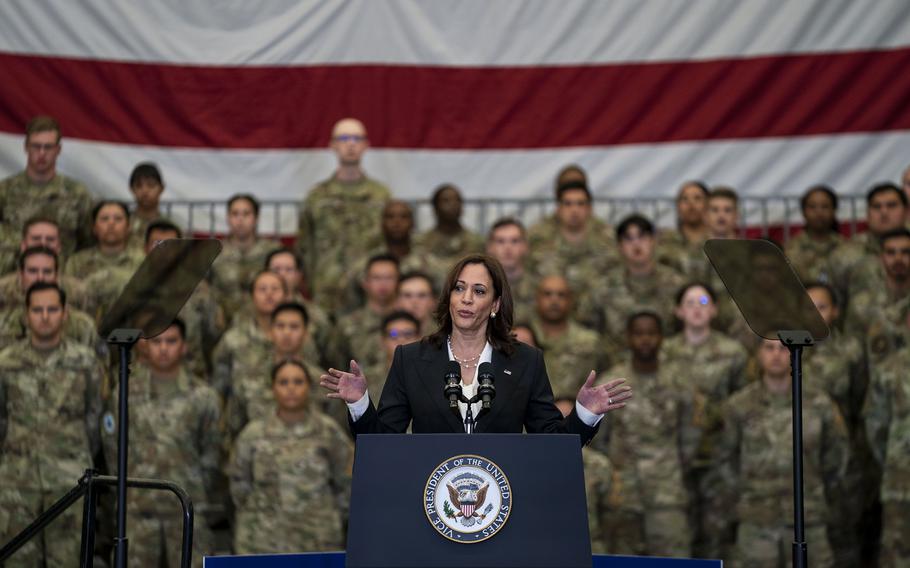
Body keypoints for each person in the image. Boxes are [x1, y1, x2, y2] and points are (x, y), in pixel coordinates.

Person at [321, 254, 632, 441]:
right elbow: (383, 444)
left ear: (495, 304)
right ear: (449, 297)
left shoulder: (525, 361)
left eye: (479, 290)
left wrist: (584, 414)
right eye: (459, 288)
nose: (467, 298)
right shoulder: (411, 358)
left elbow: (550, 443)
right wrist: (360, 403)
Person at [710, 339, 848, 566]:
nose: (776, 355)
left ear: (795, 354)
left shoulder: (818, 402)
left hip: (808, 518)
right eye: (769, 348)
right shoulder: (739, 405)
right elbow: (725, 456)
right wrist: (745, 492)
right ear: (758, 354)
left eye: (783, 348)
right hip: (757, 518)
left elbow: (836, 454)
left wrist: (815, 489)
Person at [100, 319, 221, 567]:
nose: (164, 348)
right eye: (157, 341)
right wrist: (128, 486)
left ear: (184, 346)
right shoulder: (125, 392)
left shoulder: (203, 396)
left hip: (187, 509)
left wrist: (195, 486)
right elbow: (113, 447)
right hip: (138, 509)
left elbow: (212, 454)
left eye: (171, 341)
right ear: (145, 346)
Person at [0, 282, 105, 565]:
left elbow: (94, 418)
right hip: (16, 484)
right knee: (16, 560)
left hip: (70, 481)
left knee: (70, 560)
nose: (44, 316)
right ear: (26, 315)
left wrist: (70, 455)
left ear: (65, 314)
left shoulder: (86, 362)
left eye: (52, 309)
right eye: (37, 310)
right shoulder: (5, 363)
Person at [593, 312, 698, 557]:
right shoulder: (612, 383)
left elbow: (691, 434)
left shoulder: (680, 381)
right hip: (623, 494)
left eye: (651, 333)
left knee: (674, 560)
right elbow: (600, 437)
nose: (645, 340)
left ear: (662, 338)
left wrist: (673, 467)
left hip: (667, 493)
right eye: (638, 334)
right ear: (628, 338)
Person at [660, 282, 748, 557]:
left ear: (714, 310)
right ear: (677, 311)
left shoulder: (733, 353)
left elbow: (744, 401)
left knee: (716, 534)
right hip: (675, 454)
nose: (696, 310)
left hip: (718, 455)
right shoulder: (664, 352)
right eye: (689, 303)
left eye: (702, 303)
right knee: (678, 534)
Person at [230, 359, 353, 554]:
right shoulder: (252, 433)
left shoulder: (329, 431)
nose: (291, 389)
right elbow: (239, 486)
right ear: (272, 388)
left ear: (309, 387)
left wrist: (329, 515)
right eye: (283, 382)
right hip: (262, 539)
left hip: (318, 537)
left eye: (298, 382)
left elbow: (346, 484)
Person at [297, 118, 392, 311]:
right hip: (326, 293)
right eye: (344, 138)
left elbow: (389, 244)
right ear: (333, 145)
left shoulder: (381, 196)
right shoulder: (317, 197)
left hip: (368, 294)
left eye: (357, 138)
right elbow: (304, 246)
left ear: (366, 145)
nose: (351, 144)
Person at [526, 178, 618, 329]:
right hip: (548, 328)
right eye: (568, 204)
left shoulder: (608, 248)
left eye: (580, 204)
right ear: (558, 209)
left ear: (589, 209)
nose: (574, 210)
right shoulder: (540, 249)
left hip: (595, 328)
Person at [0, 115, 94, 261]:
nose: (42, 153)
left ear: (58, 149)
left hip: (61, 277)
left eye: (48, 147)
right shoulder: (4, 191)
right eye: (36, 146)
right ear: (26, 147)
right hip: (13, 275)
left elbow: (89, 243)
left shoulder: (77, 193)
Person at [585, 213, 685, 343]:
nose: (636, 244)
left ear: (653, 241)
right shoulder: (603, 287)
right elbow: (589, 331)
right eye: (628, 239)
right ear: (620, 246)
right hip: (616, 359)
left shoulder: (676, 284)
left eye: (642, 237)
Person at [0, 248, 103, 356]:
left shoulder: (81, 325)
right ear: (21, 275)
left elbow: (99, 366)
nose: (40, 277)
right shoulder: (3, 323)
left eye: (47, 271)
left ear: (57, 275)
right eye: (33, 271)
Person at [827, 182, 907, 311]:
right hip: (860, 329)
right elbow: (833, 306)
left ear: (906, 211)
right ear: (867, 213)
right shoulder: (845, 256)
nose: (884, 212)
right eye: (876, 207)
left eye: (891, 206)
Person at [864, 344, 910, 567]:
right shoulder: (889, 369)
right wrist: (894, 462)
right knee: (897, 555)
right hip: (900, 486)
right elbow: (875, 425)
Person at [553, 397, 618, 555]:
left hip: (591, 548)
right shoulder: (532, 462)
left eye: (568, 419)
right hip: (547, 547)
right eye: (558, 419)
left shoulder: (599, 465)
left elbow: (611, 514)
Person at [530, 275, 610, 400]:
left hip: (577, 413)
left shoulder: (590, 341)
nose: (554, 300)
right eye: (547, 294)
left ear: (570, 301)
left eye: (561, 295)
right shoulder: (523, 337)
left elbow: (605, 378)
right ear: (537, 299)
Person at [209, 194, 278, 323]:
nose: (240, 219)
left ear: (256, 218)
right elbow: (204, 288)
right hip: (222, 322)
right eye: (235, 214)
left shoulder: (272, 251)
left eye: (246, 214)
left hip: (263, 321)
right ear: (228, 218)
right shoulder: (213, 252)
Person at [326, 254, 399, 370]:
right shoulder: (347, 325)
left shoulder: (410, 323)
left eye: (389, 278)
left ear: (399, 282)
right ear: (365, 282)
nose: (383, 284)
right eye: (377, 278)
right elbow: (336, 365)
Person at [844, 228, 910, 339]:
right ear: (881, 257)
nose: (898, 259)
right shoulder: (862, 305)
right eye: (891, 253)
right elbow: (852, 349)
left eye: (906, 252)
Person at [65, 200, 144, 280]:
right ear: (94, 227)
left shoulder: (143, 262)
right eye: (104, 219)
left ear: (128, 227)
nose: (111, 223)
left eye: (118, 219)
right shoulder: (77, 262)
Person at [783, 185, 846, 284]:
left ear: (834, 210)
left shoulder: (847, 247)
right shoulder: (788, 251)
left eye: (825, 207)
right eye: (812, 207)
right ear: (804, 212)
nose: (819, 212)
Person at [413, 183, 485, 266]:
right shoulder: (421, 241)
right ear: (435, 207)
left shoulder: (476, 242)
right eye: (446, 200)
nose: (453, 204)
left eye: (457, 200)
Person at [361, 310, 422, 404]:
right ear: (382, 340)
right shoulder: (365, 380)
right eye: (393, 334)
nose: (401, 340)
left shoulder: (431, 376)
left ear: (419, 338)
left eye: (408, 334)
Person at [656, 180, 711, 278]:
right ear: (678, 206)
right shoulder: (663, 242)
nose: (691, 204)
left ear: (708, 204)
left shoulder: (716, 242)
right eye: (685, 199)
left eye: (697, 198)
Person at [486, 217, 534, 323]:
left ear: (525, 246)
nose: (508, 248)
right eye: (500, 241)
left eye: (515, 241)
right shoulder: (479, 287)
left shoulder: (540, 286)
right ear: (490, 247)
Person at [127, 162, 177, 249]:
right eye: (139, 185)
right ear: (131, 189)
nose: (145, 191)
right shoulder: (123, 224)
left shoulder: (172, 226)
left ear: (161, 188)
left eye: (151, 185)